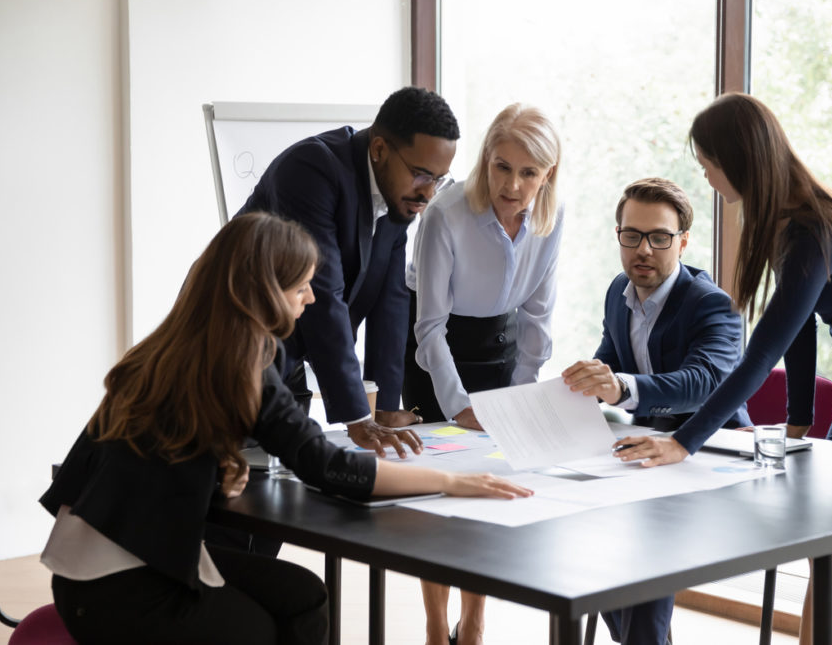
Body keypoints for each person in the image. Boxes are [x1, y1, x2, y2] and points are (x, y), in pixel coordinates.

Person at [38, 213, 533, 645]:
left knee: (304, 598)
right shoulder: (243, 361)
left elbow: (138, 459)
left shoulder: (167, 348)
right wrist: (451, 481)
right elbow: (329, 467)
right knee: (269, 629)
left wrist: (215, 469)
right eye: (300, 287)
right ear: (264, 291)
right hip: (123, 586)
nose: (311, 299)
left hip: (90, 568)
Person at [613, 93, 832, 645]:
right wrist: (799, 418)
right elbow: (801, 328)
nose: (707, 175)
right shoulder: (789, 224)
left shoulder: (814, 229)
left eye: (708, 162)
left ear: (738, 159)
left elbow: (759, 356)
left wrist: (683, 443)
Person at [561, 177, 749, 645]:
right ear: (619, 235)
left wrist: (619, 386)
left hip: (712, 457)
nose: (643, 249)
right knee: (580, 530)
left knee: (642, 540)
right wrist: (577, 386)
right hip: (647, 456)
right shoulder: (619, 293)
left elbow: (702, 384)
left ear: (682, 241)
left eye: (659, 237)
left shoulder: (714, 306)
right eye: (632, 235)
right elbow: (610, 362)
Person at [402, 103, 563, 645]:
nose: (512, 185)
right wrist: (458, 404)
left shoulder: (552, 217)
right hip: (436, 359)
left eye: (528, 172)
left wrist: (518, 400)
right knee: (439, 499)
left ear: (547, 175)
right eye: (501, 167)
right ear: (486, 160)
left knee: (491, 489)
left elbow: (538, 317)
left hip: (502, 350)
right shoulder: (446, 214)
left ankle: (474, 621)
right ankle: (432, 623)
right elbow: (428, 327)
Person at [239, 86, 460, 458]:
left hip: (288, 366)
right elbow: (322, 296)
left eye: (438, 180)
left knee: (287, 485)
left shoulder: (397, 196)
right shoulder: (312, 170)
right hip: (238, 360)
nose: (428, 194)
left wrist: (385, 408)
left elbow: (391, 300)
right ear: (379, 150)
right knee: (234, 487)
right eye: (422, 174)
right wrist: (359, 416)